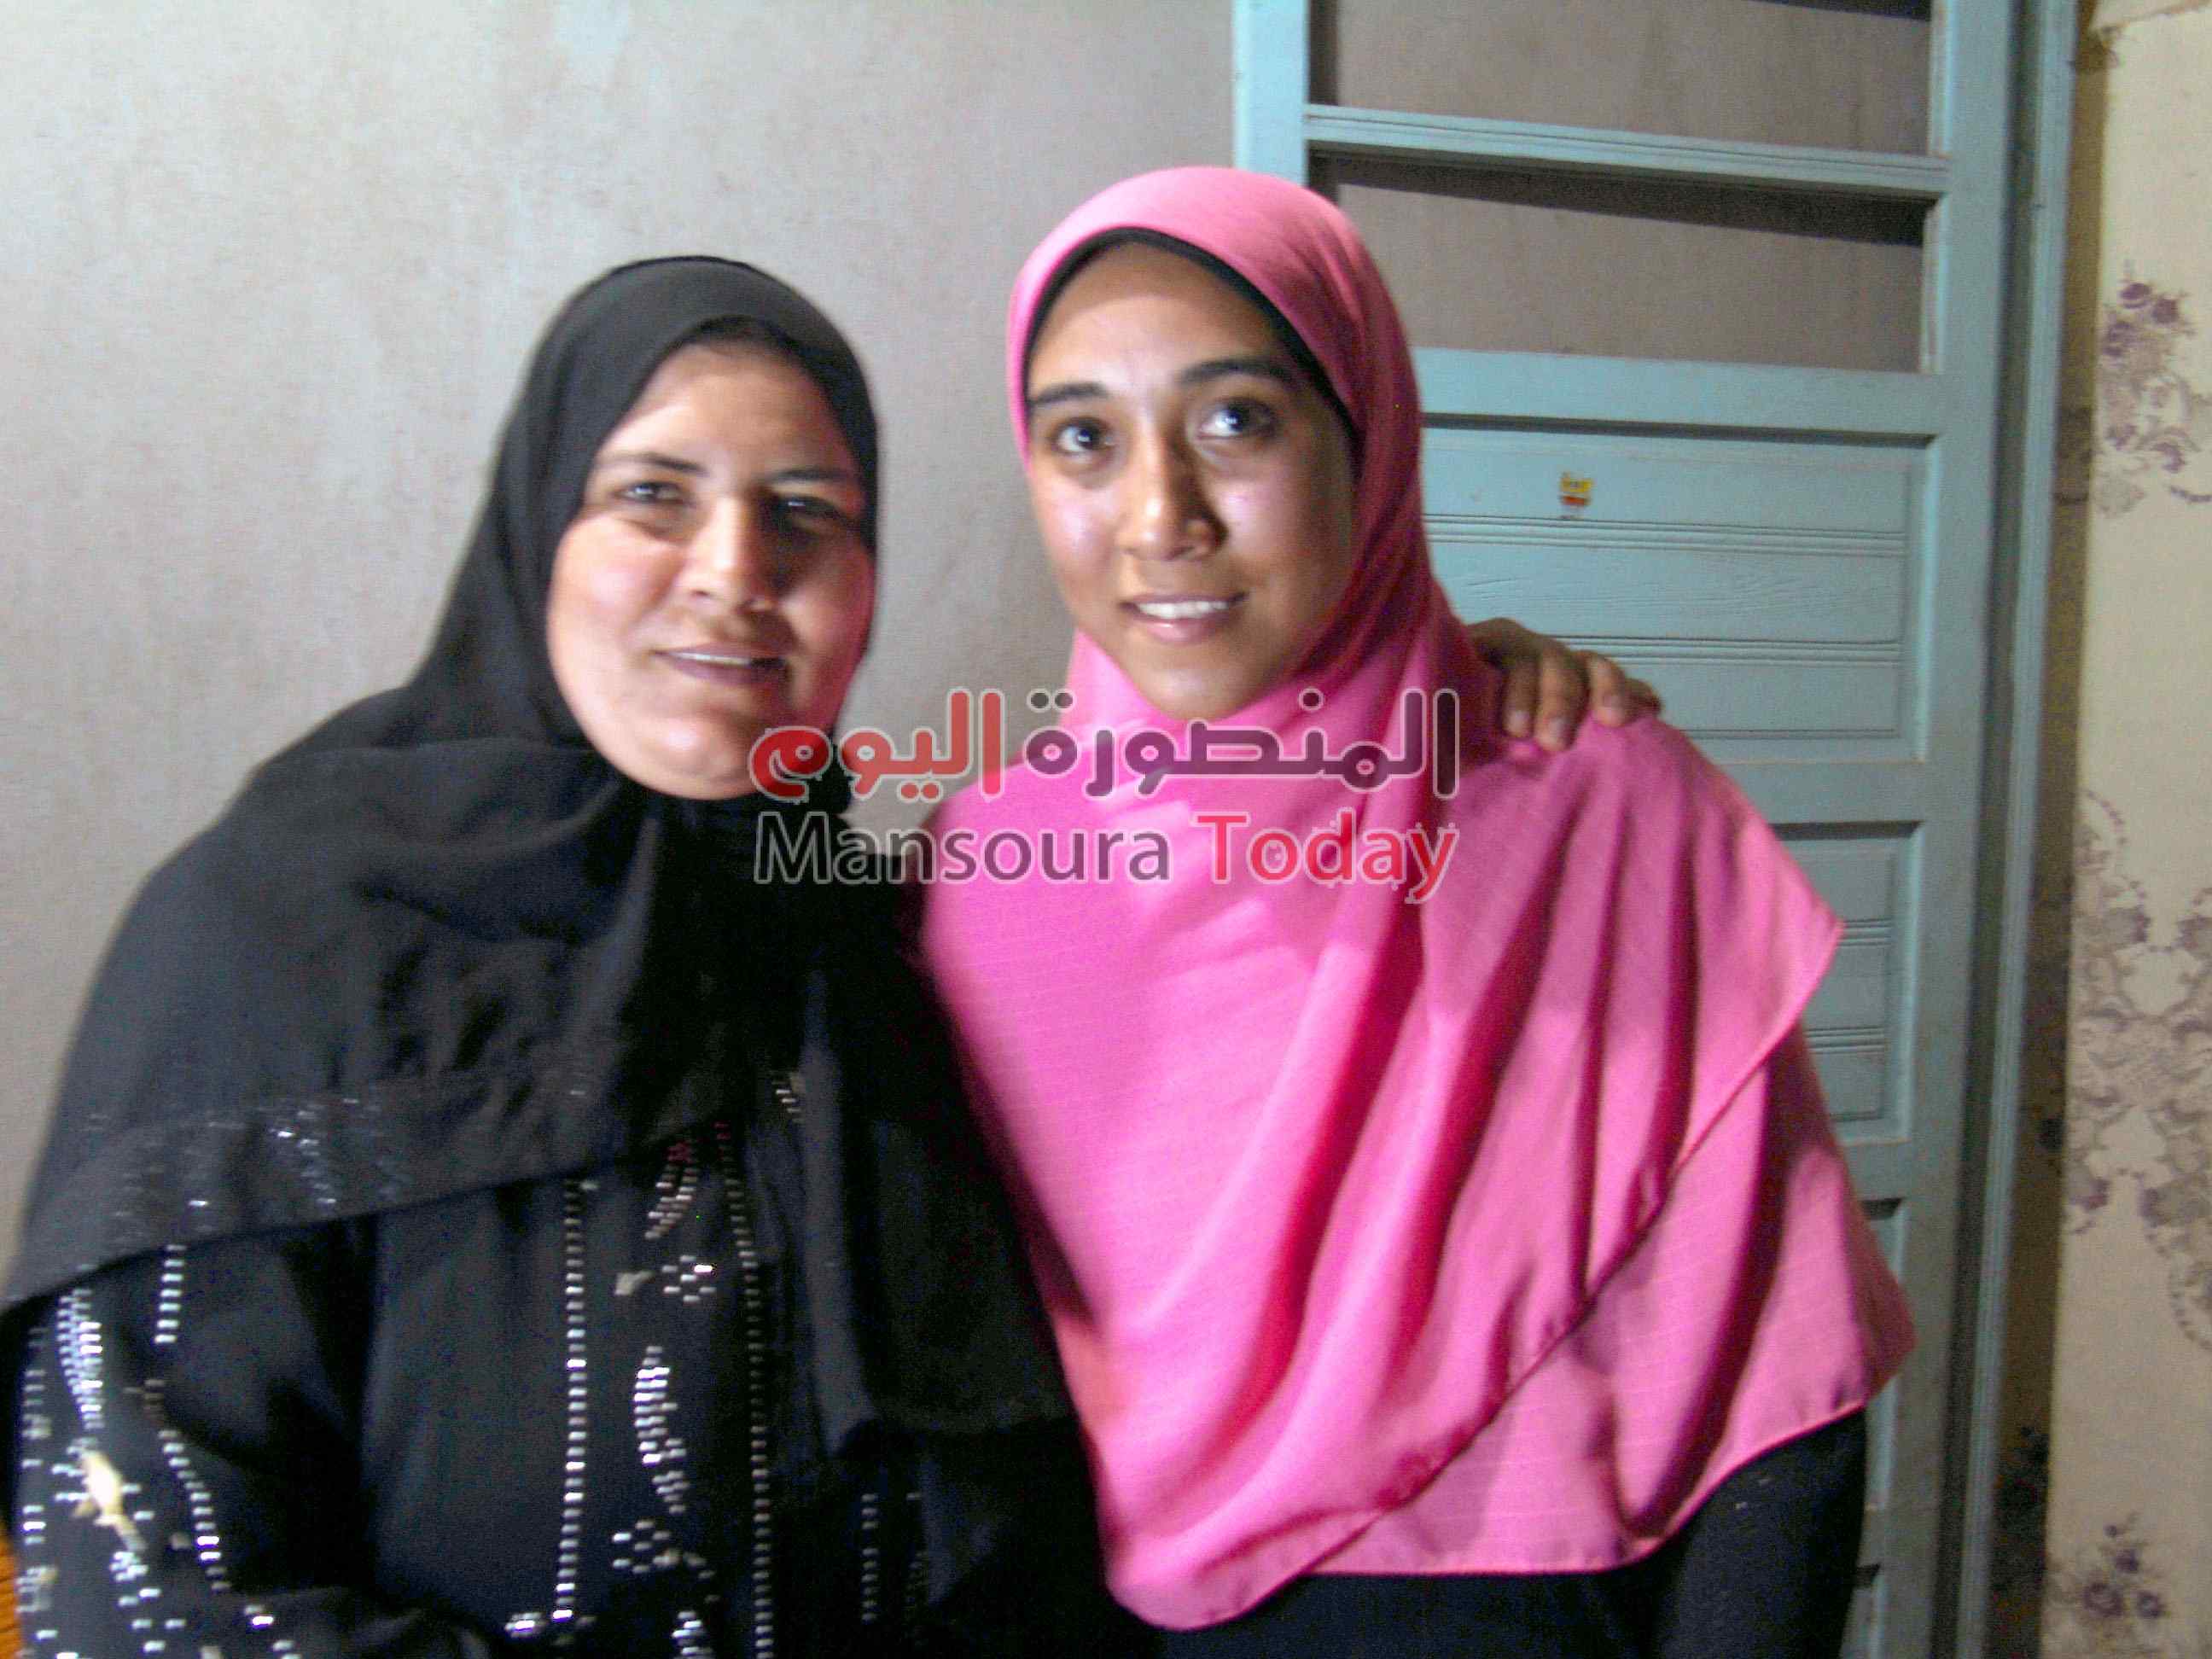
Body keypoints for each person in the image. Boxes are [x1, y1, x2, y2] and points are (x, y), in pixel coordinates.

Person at [0, 258, 1124, 1657]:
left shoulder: (853, 942)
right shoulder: (269, 943)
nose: (736, 573)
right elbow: (144, 1584)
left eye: (806, 514)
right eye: (653, 495)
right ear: (537, 529)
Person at [919, 168, 1916, 1656]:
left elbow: (1784, 1404)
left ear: (1368, 438)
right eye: (1084, 438)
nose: (1160, 516)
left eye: (1237, 421)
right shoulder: (977, 880)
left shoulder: (1597, 814)